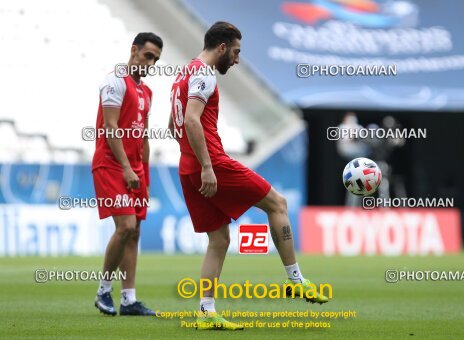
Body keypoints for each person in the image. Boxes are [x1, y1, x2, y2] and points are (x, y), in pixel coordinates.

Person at [169, 22, 328, 331]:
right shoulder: (203, 73)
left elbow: (172, 122)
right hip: (211, 163)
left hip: (185, 166)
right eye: (237, 52)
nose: (238, 60)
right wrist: (206, 165)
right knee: (278, 204)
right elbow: (190, 120)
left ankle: (205, 312)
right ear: (222, 48)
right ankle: (295, 280)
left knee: (219, 239)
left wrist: (192, 159)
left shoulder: (182, 74)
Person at [92, 32, 162, 316]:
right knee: (126, 227)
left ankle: (129, 300)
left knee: (135, 233)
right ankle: (103, 291)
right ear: (133, 50)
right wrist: (125, 167)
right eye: (148, 56)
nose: (151, 63)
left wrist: (145, 175)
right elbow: (111, 128)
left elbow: (144, 137)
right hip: (111, 164)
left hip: (135, 169)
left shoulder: (147, 92)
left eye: (156, 59)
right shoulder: (114, 81)